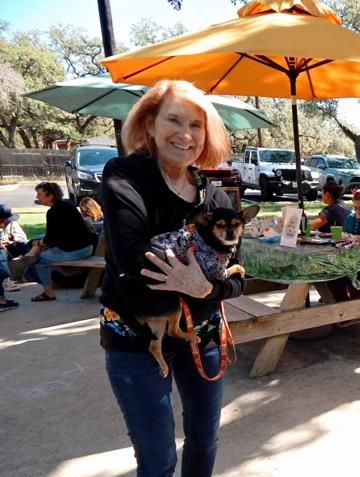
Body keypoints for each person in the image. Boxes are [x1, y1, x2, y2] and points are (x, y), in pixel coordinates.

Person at [99, 79, 246, 477]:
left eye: (196, 125)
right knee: (158, 460)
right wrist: (206, 283)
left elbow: (238, 276)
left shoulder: (212, 194)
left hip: (203, 336)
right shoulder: (124, 175)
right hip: (135, 337)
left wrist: (205, 287)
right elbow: (135, 262)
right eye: (174, 121)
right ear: (149, 124)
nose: (185, 135)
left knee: (205, 440)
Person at [17, 182, 94, 302]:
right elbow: (59, 235)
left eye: (40, 194)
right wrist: (41, 242)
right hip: (87, 248)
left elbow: (50, 239)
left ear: (50, 196)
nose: (37, 197)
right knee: (38, 240)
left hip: (76, 251)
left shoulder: (53, 212)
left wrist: (40, 243)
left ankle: (49, 293)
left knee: (38, 260)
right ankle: (31, 253)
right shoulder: (68, 204)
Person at [0, 204, 26, 309]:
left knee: (26, 244)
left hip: (10, 248)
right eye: (6, 219)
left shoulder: (11, 224)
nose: (9, 221)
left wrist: (10, 240)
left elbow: (22, 237)